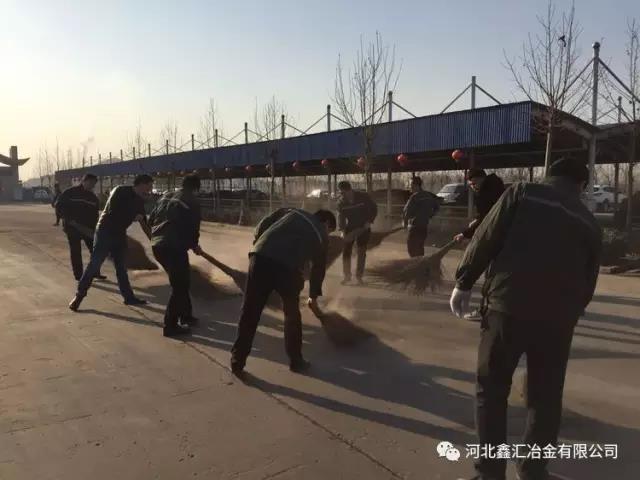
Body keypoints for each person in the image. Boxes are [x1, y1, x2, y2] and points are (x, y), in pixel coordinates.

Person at [450, 158, 602, 480]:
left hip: (508, 307)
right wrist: (571, 312)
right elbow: (589, 279)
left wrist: (464, 282)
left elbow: (486, 237)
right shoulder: (589, 221)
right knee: (546, 397)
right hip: (558, 321)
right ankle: (533, 470)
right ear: (582, 186)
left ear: (549, 176)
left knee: (492, 390)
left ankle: (490, 473)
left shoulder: (522, 193)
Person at [230, 208, 337, 376]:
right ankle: (296, 361)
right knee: (292, 314)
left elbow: (265, 222)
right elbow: (318, 269)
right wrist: (313, 296)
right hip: (287, 268)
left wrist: (260, 242)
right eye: (330, 231)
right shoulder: (321, 234)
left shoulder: (292, 212)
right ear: (326, 223)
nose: (328, 234)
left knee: (250, 311)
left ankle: (237, 361)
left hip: (259, 257)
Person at [68, 174, 154, 311]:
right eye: (149, 187)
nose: (149, 191)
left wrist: (153, 241)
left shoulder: (139, 200)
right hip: (105, 232)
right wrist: (133, 216)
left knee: (121, 268)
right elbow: (114, 210)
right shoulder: (120, 191)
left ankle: (129, 298)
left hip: (119, 234)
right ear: (142, 184)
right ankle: (79, 296)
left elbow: (144, 223)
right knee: (94, 265)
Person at [148, 174, 203, 337]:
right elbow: (193, 227)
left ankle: (186, 315)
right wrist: (194, 244)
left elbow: (151, 221)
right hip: (174, 247)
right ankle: (170, 326)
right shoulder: (192, 201)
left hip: (158, 246)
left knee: (181, 282)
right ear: (196, 188)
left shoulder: (165, 196)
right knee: (180, 286)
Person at [454, 169, 505, 320]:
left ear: (482, 178)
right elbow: (486, 214)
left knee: (492, 276)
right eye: (470, 184)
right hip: (505, 238)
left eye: (474, 182)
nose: (473, 186)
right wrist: (477, 219)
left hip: (498, 239)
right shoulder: (496, 187)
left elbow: (487, 219)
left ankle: (486, 311)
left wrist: (465, 234)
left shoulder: (487, 193)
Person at [55, 174, 106, 281]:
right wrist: (68, 219)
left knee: (95, 251)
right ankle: (79, 275)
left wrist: (96, 228)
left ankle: (95, 272)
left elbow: (95, 215)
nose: (92, 186)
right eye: (90, 183)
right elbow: (58, 206)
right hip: (72, 228)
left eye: (94, 184)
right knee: (76, 252)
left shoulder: (93, 198)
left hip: (88, 229)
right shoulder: (70, 192)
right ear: (84, 181)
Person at [336, 181, 377, 284]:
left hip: (364, 226)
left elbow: (374, 208)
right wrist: (342, 230)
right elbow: (341, 217)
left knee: (361, 252)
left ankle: (359, 276)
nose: (342, 195)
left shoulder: (363, 197)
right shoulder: (341, 202)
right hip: (351, 227)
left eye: (343, 193)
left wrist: (369, 221)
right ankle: (347, 276)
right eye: (341, 193)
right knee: (346, 251)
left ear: (350, 190)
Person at [402, 176, 440, 257]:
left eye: (411, 185)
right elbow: (437, 207)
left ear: (416, 185)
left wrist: (405, 223)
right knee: (420, 248)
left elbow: (406, 212)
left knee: (412, 249)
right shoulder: (428, 195)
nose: (410, 187)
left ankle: (416, 264)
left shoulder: (414, 197)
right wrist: (430, 215)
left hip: (414, 227)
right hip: (424, 228)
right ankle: (421, 263)